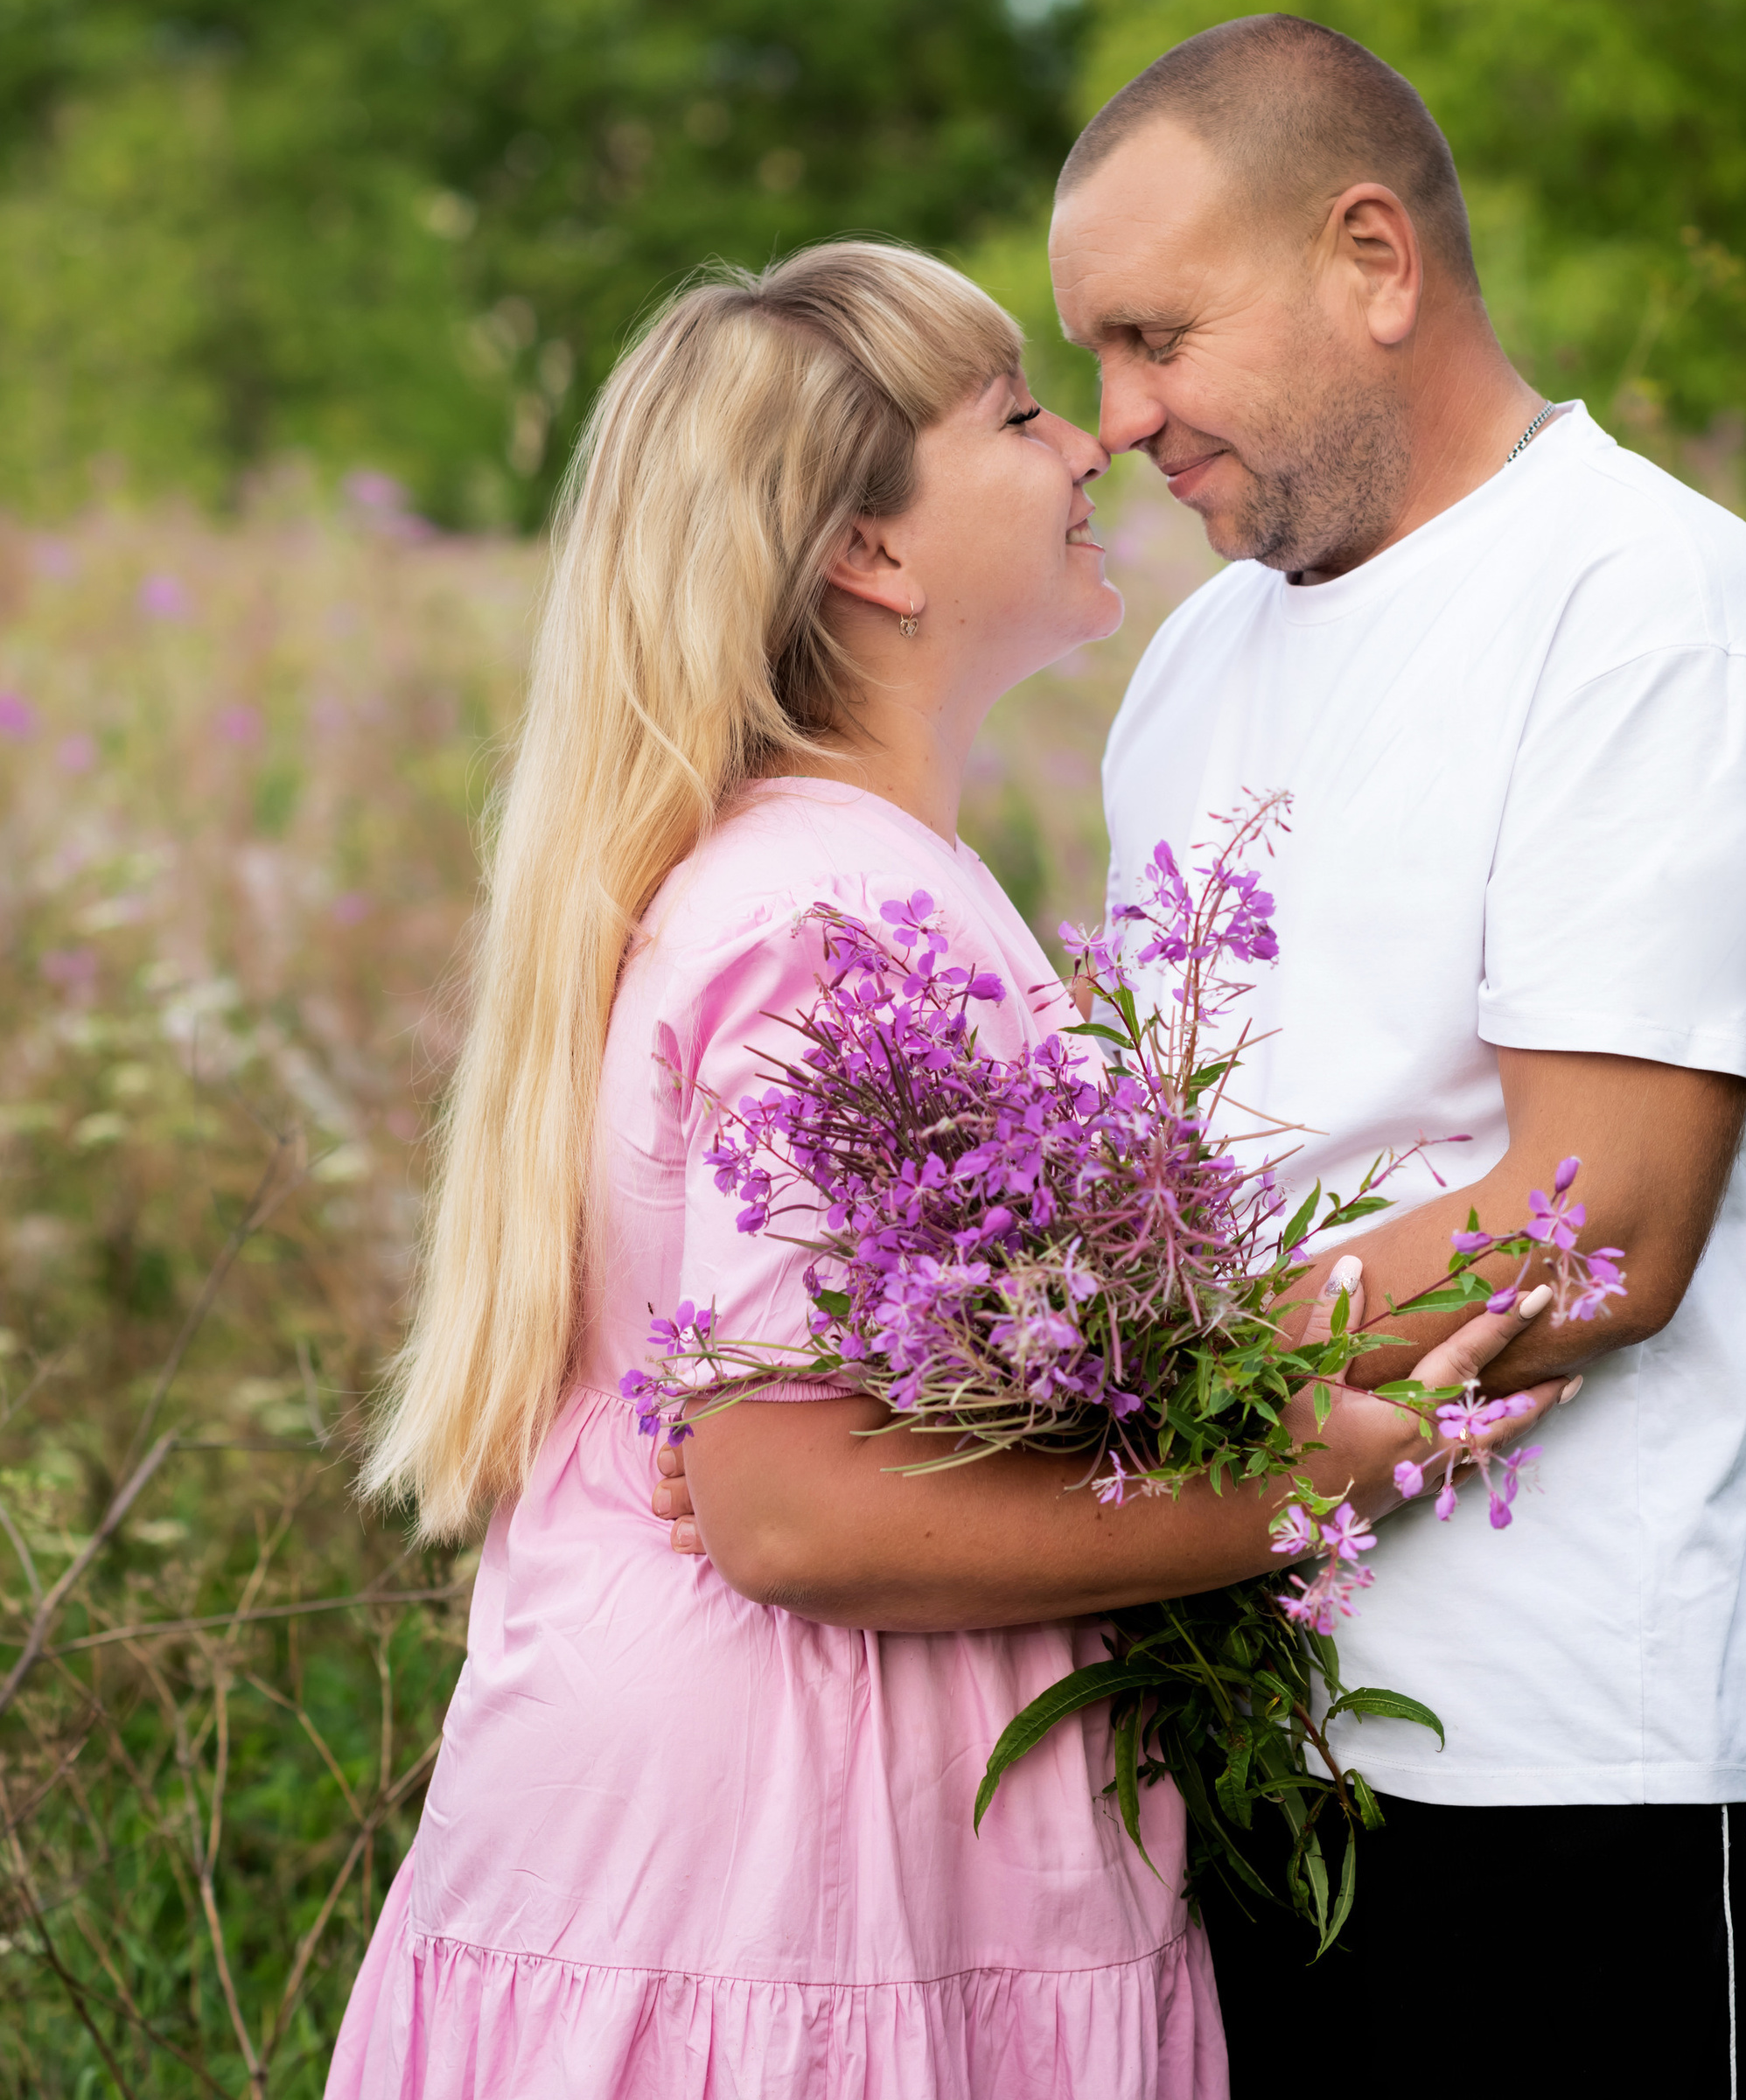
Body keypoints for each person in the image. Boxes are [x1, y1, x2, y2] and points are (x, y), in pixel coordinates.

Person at [332, 241, 1567, 2100]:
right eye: (1011, 411)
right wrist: (1305, 1476)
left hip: (763, 1844)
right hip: (789, 1875)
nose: (1090, 439)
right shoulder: (836, 910)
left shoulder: (820, 874)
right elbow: (791, 1510)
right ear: (873, 555)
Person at [1044, 16, 1746, 2096]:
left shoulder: (1643, 602)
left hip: (1550, 1755)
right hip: (1217, 1719)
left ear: (1372, 259)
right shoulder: (1196, 652)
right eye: (1094, 355)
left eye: (1155, 336)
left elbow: (1602, 1226)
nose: (1116, 418)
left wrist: (1101, 1400)